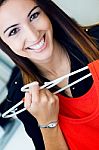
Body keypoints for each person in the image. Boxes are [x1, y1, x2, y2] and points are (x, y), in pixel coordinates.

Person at [0, 0, 99, 149]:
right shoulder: (22, 99)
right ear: (5, 44)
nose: (33, 36)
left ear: (47, 12)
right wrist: (47, 123)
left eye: (34, 16)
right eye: (14, 31)